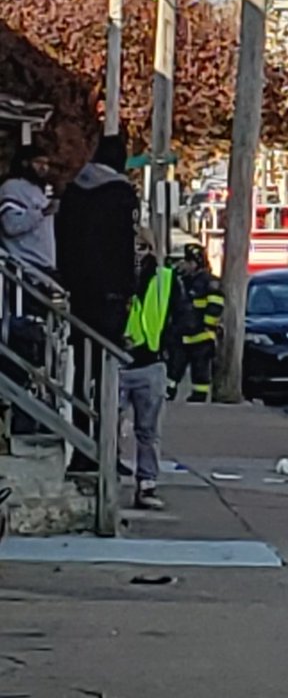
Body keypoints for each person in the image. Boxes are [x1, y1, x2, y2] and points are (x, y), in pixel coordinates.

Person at [55, 134, 138, 470]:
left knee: (81, 374)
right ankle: (106, 449)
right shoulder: (120, 195)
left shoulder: (75, 191)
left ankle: (82, 446)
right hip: (110, 297)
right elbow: (124, 246)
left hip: (80, 294)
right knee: (107, 377)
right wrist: (125, 288)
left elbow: (63, 238)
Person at [121, 228, 184, 510]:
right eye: (133, 245)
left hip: (151, 364)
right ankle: (107, 475)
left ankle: (147, 485)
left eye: (143, 246)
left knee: (148, 431)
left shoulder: (166, 280)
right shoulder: (112, 272)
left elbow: (180, 323)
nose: (137, 252)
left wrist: (173, 371)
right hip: (116, 360)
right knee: (107, 426)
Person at [167, 242, 224, 402]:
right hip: (181, 334)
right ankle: (168, 391)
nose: (183, 264)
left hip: (201, 336)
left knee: (200, 368)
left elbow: (215, 304)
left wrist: (208, 326)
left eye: (187, 261)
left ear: (195, 263)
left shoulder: (209, 282)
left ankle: (199, 395)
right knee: (174, 367)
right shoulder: (182, 280)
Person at [0, 143, 58, 280]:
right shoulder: (11, 188)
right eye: (39, 162)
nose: (44, 167)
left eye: (47, 163)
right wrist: (42, 212)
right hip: (23, 268)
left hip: (43, 267)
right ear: (24, 163)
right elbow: (11, 225)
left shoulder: (39, 191)